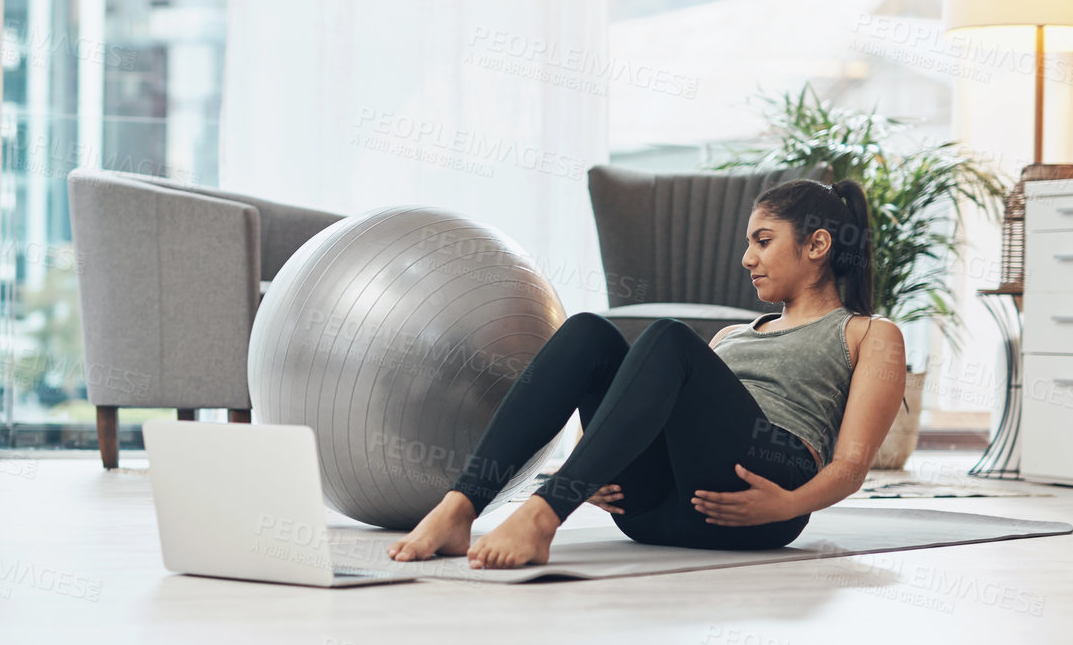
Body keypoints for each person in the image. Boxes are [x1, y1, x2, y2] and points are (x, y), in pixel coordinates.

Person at [388, 177, 908, 569]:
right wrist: (589, 468)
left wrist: (788, 506)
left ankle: (543, 514)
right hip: (656, 511)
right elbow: (647, 406)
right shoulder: (731, 337)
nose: (748, 259)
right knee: (588, 331)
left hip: (762, 499)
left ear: (817, 245)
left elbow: (852, 465)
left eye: (763, 241)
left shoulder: (867, 333)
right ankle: (461, 507)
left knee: (667, 338)